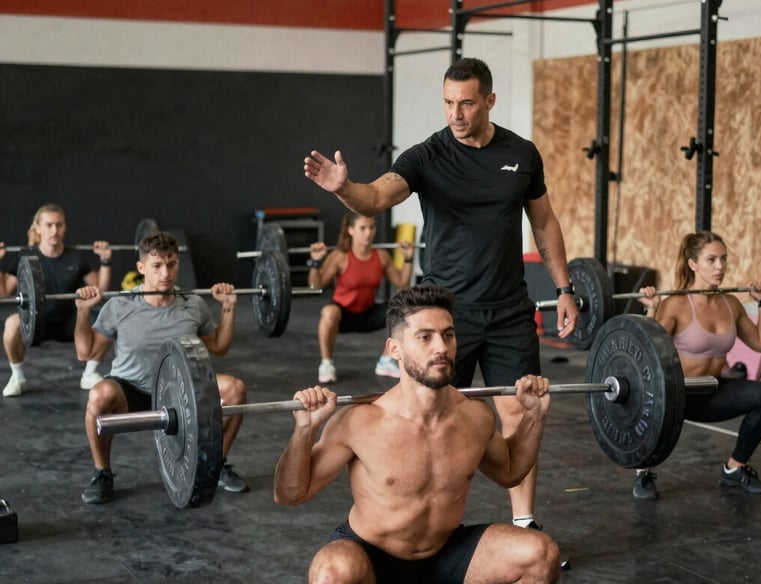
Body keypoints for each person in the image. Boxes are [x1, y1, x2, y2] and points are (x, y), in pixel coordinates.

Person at [303, 57, 578, 530]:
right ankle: (427, 524)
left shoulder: (522, 154)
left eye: (467, 103)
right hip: (446, 315)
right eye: (449, 103)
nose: (456, 113)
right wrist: (344, 188)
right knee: (436, 417)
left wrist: (565, 287)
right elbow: (377, 196)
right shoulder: (427, 156)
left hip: (510, 309)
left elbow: (544, 220)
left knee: (520, 411)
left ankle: (524, 524)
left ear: (489, 101)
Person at [274, 285, 560, 583]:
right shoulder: (359, 422)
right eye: (425, 337)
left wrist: (534, 417)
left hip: (446, 552)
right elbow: (289, 494)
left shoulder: (475, 417)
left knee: (540, 555)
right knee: (332, 572)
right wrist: (304, 431)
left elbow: (511, 472)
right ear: (394, 349)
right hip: (372, 556)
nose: (441, 347)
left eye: (448, 335)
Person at [73, 231, 249, 504]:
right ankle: (102, 472)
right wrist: (83, 311)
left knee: (235, 389)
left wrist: (228, 308)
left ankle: (216, 464)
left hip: (181, 390)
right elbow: (87, 352)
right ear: (141, 268)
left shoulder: (192, 303)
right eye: (157, 266)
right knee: (99, 395)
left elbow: (218, 347)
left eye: (172, 264)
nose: (165, 272)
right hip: (131, 389)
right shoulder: (120, 305)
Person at [632, 231, 761, 500]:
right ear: (693, 264)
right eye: (711, 260)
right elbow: (647, 352)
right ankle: (643, 472)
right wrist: (651, 309)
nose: (720, 267)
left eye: (724, 259)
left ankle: (733, 469)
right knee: (649, 402)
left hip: (711, 391)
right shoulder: (676, 305)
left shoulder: (731, 304)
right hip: (674, 395)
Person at [0, 203, 111, 397]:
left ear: (65, 227)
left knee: (110, 322)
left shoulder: (76, 257)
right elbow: (3, 291)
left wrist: (105, 261)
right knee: (11, 324)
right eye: (49, 225)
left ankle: (89, 374)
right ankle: (18, 377)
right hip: (36, 323)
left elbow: (99, 289)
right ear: (38, 228)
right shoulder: (25, 256)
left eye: (59, 225)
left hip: (72, 322)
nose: (54, 230)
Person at [307, 212, 414, 383]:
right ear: (351, 230)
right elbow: (315, 286)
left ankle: (386, 360)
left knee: (404, 310)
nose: (368, 233)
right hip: (342, 315)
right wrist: (315, 262)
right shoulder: (340, 256)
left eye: (371, 227)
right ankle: (326, 364)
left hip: (367, 313)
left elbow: (402, 283)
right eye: (362, 228)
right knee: (328, 311)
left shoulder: (381, 256)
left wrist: (408, 258)